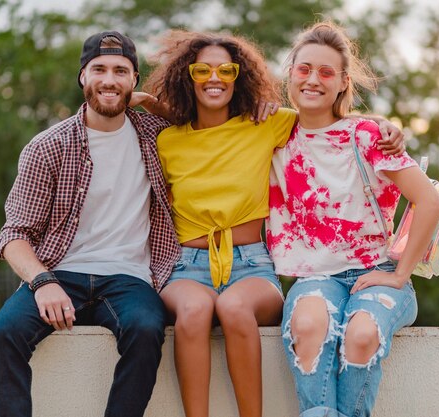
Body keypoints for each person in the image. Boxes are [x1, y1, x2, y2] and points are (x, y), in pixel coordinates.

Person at [141, 30, 404, 417]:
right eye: (202, 70)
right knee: (195, 312)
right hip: (187, 267)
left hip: (252, 266)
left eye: (225, 70)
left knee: (233, 307)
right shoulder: (167, 141)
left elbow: (327, 115)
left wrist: (383, 124)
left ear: (239, 76)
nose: (214, 78)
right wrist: (146, 102)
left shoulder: (266, 124)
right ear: (187, 76)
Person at [0, 31, 180, 417]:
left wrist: (145, 105)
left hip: (131, 279)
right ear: (82, 77)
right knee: (4, 333)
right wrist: (42, 283)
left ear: (134, 79)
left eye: (121, 71)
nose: (110, 79)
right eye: (100, 70)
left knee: (145, 330)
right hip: (59, 273)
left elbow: (200, 121)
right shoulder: (48, 147)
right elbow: (14, 233)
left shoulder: (156, 136)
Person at [267, 21, 439, 417]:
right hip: (315, 277)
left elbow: (429, 203)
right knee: (309, 327)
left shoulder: (367, 136)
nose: (313, 80)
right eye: (304, 69)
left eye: (326, 72)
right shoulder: (272, 134)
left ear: (343, 82)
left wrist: (399, 275)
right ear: (291, 73)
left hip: (376, 271)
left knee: (362, 334)